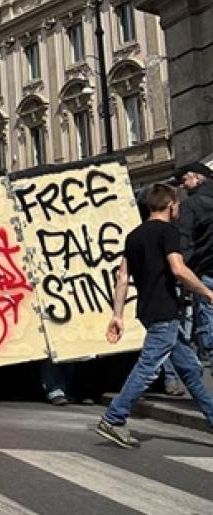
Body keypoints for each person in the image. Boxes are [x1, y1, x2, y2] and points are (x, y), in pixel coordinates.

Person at [98, 183, 213, 448]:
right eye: (178, 206)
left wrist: (117, 315)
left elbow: (122, 276)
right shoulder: (167, 232)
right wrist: (206, 293)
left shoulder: (134, 235)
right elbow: (178, 268)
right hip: (164, 311)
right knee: (148, 367)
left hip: (148, 310)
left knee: (190, 370)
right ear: (171, 205)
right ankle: (114, 418)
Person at [175, 162, 213, 357]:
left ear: (197, 177)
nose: (182, 186)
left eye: (184, 180)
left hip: (205, 273)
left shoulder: (190, 205)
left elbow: (185, 243)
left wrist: (183, 271)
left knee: (210, 329)